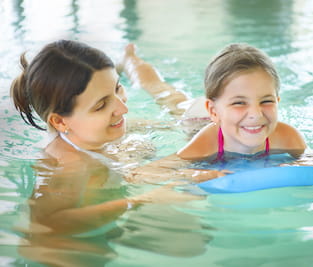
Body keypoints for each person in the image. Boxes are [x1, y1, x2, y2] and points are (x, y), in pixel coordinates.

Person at [9, 40, 220, 238]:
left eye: (118, 88)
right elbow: (54, 223)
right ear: (60, 122)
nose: (123, 108)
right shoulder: (69, 166)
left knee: (171, 99)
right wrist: (143, 199)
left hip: (112, 144)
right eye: (101, 105)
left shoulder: (91, 129)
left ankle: (130, 62)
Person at [120, 43, 306, 164]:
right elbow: (146, 174)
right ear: (213, 110)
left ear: (277, 102)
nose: (256, 114)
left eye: (266, 101)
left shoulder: (288, 137)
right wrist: (194, 176)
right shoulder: (206, 144)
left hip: (229, 115)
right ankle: (129, 60)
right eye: (239, 102)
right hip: (195, 119)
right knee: (165, 94)